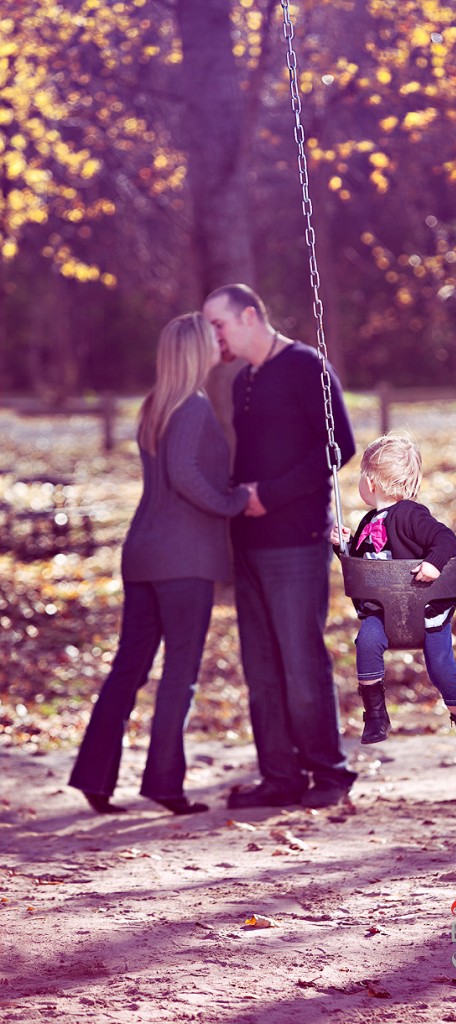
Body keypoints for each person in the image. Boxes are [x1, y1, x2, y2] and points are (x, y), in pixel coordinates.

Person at [69, 313, 251, 815]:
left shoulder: (157, 404)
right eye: (212, 338)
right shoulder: (192, 407)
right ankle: (165, 784)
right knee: (179, 673)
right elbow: (185, 475)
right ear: (195, 349)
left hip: (143, 552)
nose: (220, 342)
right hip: (182, 559)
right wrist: (235, 500)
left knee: (129, 667)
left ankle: (94, 776)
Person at [203, 283, 357, 809]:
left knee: (300, 661)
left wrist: (270, 495)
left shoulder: (304, 365)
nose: (212, 335)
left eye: (217, 324)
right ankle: (280, 776)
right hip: (247, 543)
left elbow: (340, 445)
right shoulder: (244, 378)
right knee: (261, 666)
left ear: (249, 316)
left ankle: (329, 775)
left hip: (297, 540)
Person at [330, 432, 456, 775]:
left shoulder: (411, 515)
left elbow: (445, 539)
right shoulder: (365, 523)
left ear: (370, 482)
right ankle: (375, 715)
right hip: (382, 613)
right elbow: (362, 566)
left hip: (427, 612)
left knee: (441, 670)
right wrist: (343, 547)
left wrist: (433, 562)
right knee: (367, 643)